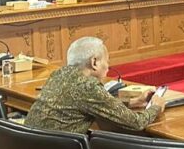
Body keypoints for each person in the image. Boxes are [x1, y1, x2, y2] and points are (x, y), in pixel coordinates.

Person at [25, 36, 168, 134]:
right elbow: (136, 123)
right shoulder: (88, 86)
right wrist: (155, 107)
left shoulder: (58, 74)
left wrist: (133, 102)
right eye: (107, 60)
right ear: (94, 62)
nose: (108, 66)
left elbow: (92, 104)